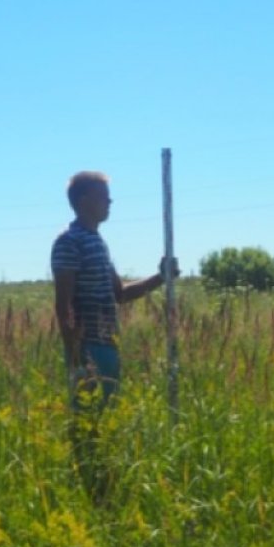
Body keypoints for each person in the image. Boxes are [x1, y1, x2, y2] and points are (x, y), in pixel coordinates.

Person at [51, 170, 175, 409]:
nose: (110, 202)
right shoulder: (69, 241)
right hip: (87, 348)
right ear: (84, 201)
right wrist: (75, 354)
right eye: (103, 197)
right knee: (86, 421)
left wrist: (161, 277)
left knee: (106, 419)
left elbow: (119, 294)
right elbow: (63, 304)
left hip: (108, 345)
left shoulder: (96, 241)